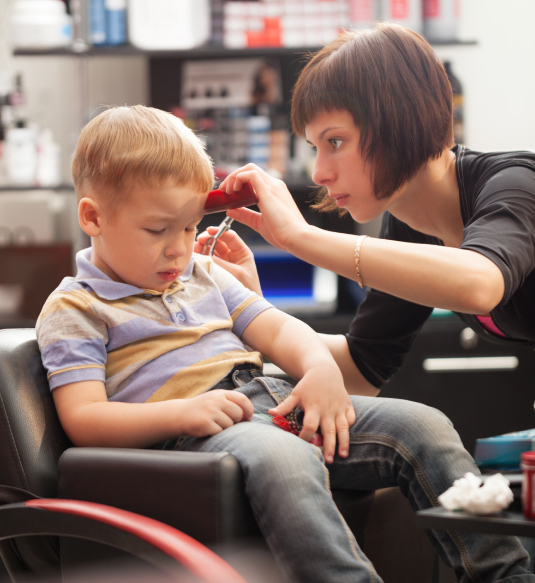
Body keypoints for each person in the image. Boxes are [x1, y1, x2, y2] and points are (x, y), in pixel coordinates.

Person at [36, 105, 533, 583]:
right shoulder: (75, 309)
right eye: (158, 229)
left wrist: (318, 370)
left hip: (276, 405)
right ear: (93, 217)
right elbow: (85, 421)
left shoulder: (202, 273)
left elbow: (277, 329)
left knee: (422, 424)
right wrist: (182, 414)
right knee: (286, 458)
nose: (179, 248)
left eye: (190, 227)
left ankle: (509, 574)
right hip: (198, 436)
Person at [197, 22, 535, 399]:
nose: (318, 173)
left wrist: (302, 238)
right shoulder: (410, 222)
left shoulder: (517, 183)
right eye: (315, 148)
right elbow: (360, 370)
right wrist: (252, 310)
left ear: (401, 120)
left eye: (336, 141)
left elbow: (481, 284)